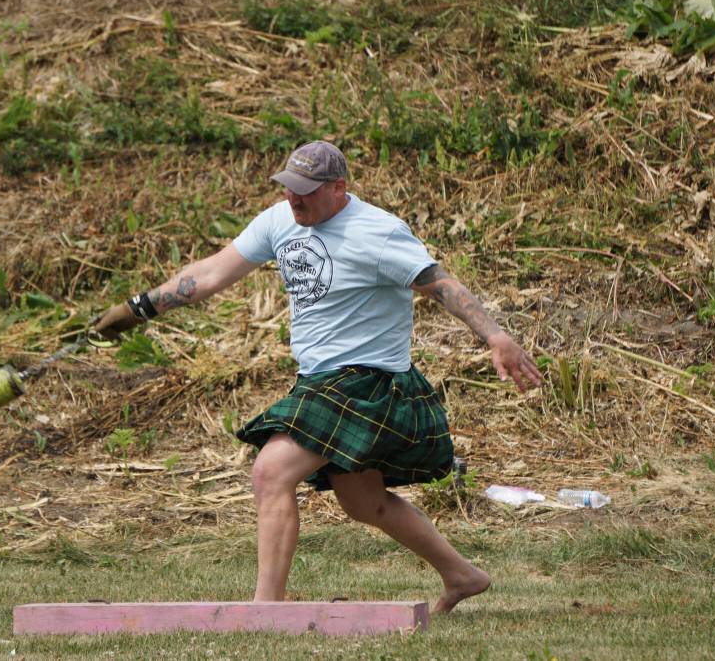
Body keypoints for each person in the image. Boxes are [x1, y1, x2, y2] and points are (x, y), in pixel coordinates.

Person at [95, 140, 542, 613]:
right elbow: (209, 274)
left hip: (369, 382)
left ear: (338, 188)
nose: (294, 200)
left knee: (271, 472)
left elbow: (442, 284)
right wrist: (139, 307)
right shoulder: (280, 219)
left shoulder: (379, 233)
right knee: (362, 501)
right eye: (288, 188)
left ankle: (265, 610)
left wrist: (495, 336)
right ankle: (462, 575)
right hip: (319, 380)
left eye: (306, 192)